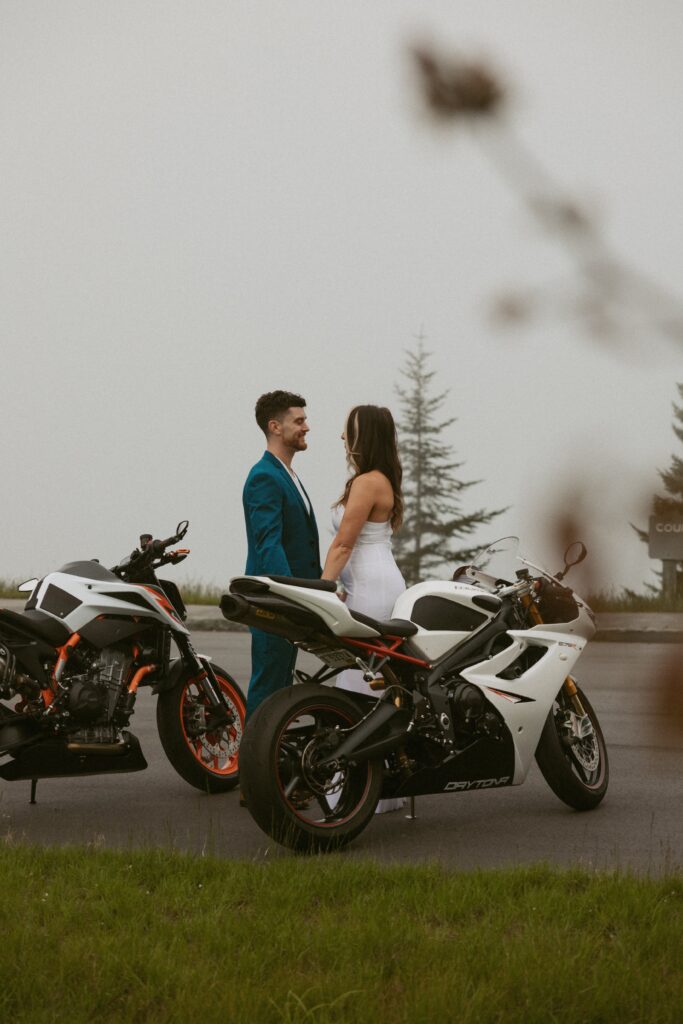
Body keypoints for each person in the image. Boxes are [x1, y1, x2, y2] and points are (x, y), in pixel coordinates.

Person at [321, 404, 406, 813]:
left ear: (363, 437)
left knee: (358, 685)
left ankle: (356, 793)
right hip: (370, 583)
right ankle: (369, 788)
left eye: (348, 431)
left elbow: (343, 544)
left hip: (371, 588)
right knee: (367, 682)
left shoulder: (369, 483)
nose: (342, 439)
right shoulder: (376, 480)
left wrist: (321, 588)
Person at [242, 390, 321, 720]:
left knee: (280, 682)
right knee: (269, 685)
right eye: (299, 420)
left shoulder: (287, 474)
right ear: (275, 426)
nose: (307, 427)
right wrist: (288, 596)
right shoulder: (264, 476)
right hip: (273, 604)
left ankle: (269, 759)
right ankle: (251, 766)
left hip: (289, 600)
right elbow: (268, 544)